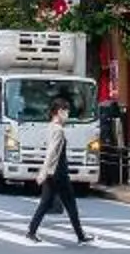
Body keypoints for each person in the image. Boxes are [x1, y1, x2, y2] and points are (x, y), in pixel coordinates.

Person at [24, 98, 86, 244]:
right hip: (59, 172)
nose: (68, 115)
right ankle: (81, 236)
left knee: (45, 203)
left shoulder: (51, 126)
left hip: (53, 172)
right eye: (66, 112)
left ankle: (31, 231)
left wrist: (45, 172)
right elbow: (52, 152)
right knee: (70, 204)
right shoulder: (58, 130)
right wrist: (43, 172)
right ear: (59, 112)